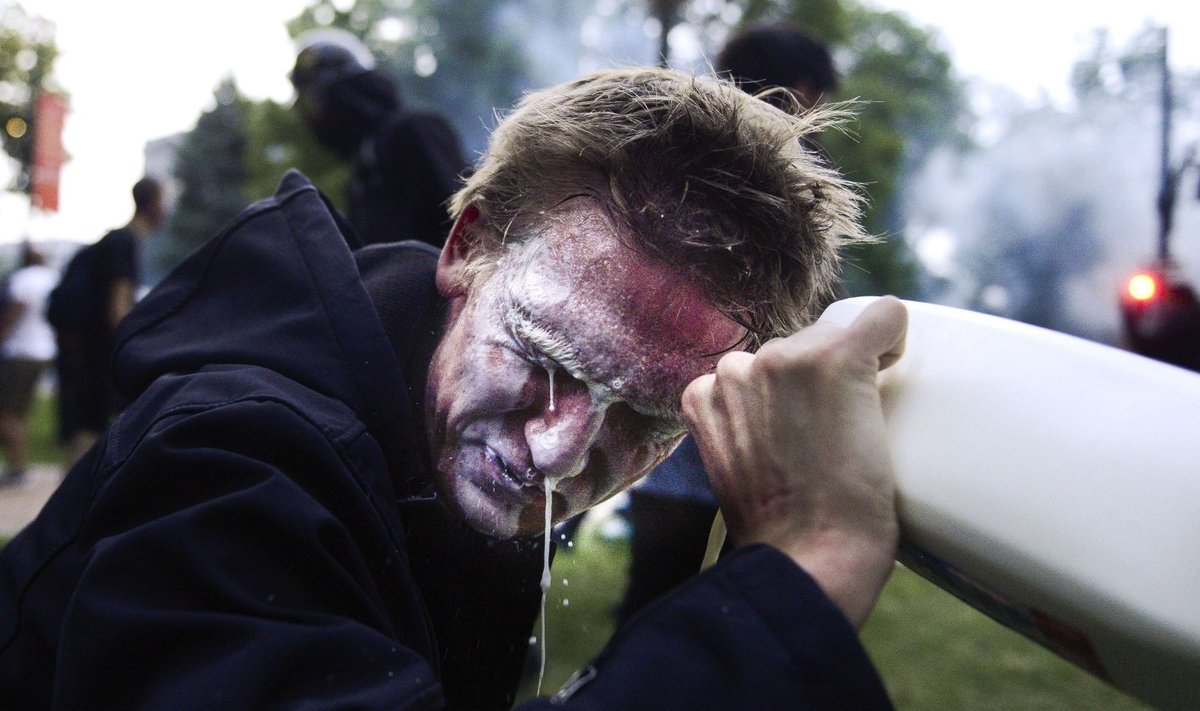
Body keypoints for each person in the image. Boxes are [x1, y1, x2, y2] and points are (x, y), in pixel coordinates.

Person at [0, 68, 906, 710]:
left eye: (647, 417)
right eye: (546, 356)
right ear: (467, 244)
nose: (559, 450)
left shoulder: (435, 432)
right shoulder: (228, 468)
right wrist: (804, 573)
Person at [618, 23, 844, 624]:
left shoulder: (673, 150)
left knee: (657, 584)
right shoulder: (801, 178)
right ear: (799, 90)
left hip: (663, 392)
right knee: (742, 587)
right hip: (748, 404)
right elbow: (814, 306)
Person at [290, 28, 470, 249]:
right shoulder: (362, 171)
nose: (315, 116)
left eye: (317, 98)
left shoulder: (412, 130)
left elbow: (468, 216)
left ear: (341, 91)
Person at [52, 176, 165, 464]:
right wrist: (137, 349)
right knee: (91, 430)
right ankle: (79, 504)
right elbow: (118, 307)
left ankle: (75, 501)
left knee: (88, 426)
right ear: (153, 204)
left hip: (86, 349)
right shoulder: (124, 243)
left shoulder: (114, 241)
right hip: (100, 352)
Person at [0, 244, 58, 487]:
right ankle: (17, 464)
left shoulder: (22, 280)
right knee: (18, 412)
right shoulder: (53, 279)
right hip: (45, 349)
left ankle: (17, 466)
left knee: (6, 412)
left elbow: (15, 312)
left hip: (20, 351)